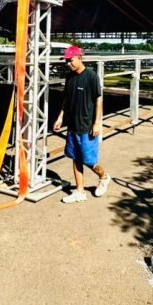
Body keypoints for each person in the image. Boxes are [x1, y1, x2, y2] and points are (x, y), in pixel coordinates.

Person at [53, 45, 112, 203]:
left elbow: (98, 99)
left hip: (87, 126)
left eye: (70, 60)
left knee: (89, 160)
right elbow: (66, 99)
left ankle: (104, 177)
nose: (68, 64)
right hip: (72, 126)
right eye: (66, 61)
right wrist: (60, 117)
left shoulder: (91, 76)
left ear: (79, 58)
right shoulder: (69, 77)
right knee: (75, 157)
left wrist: (98, 123)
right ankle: (80, 191)